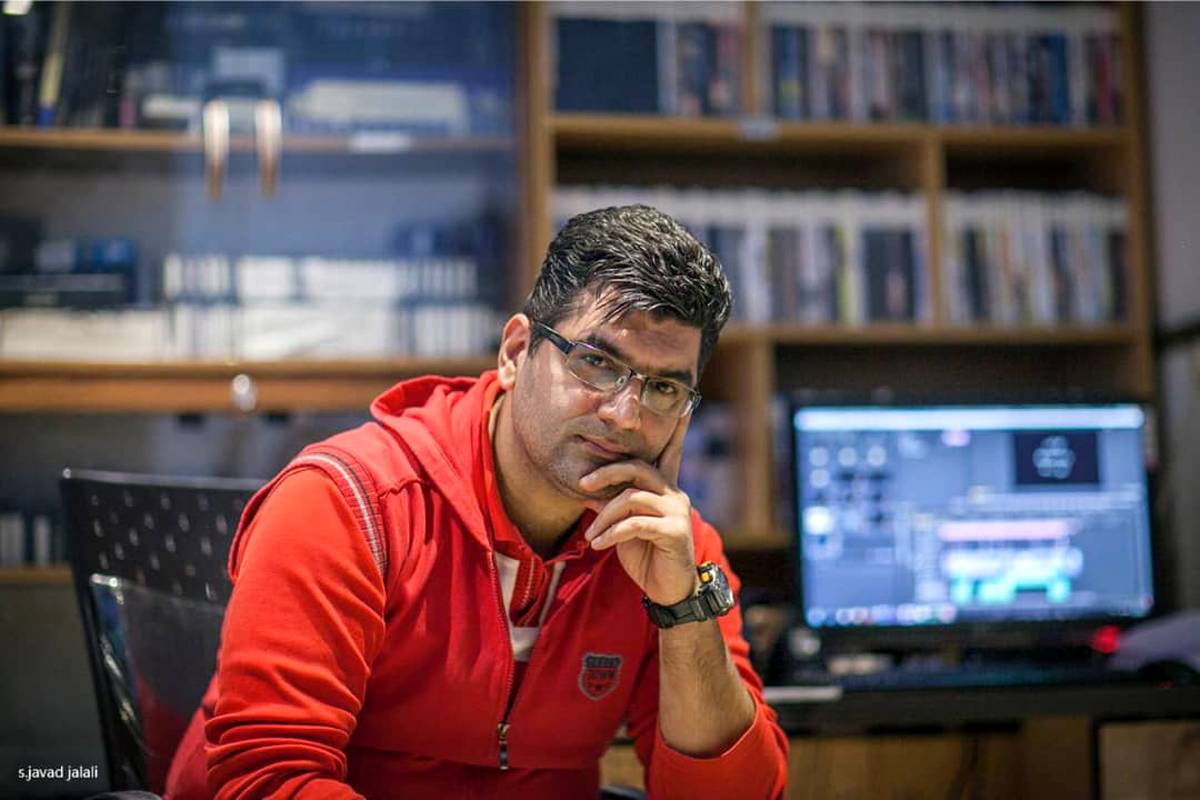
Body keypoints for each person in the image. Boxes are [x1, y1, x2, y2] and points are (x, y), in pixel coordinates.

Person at [165, 205, 789, 799]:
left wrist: (683, 609)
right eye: (597, 363)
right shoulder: (347, 504)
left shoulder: (670, 548)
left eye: (663, 389)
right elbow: (266, 778)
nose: (626, 415)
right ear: (516, 353)